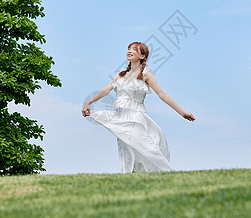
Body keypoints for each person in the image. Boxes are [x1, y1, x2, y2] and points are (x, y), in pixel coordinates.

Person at [81, 41, 195, 173]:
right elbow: (105, 90)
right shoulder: (120, 74)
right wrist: (88, 102)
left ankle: (167, 171)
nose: (129, 51)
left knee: (145, 149)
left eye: (134, 49)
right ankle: (129, 175)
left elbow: (162, 95)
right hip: (121, 118)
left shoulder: (146, 74)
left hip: (136, 117)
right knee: (126, 150)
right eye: (128, 49)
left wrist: (183, 113)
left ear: (142, 56)